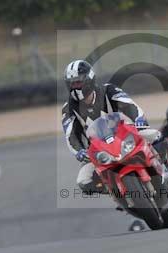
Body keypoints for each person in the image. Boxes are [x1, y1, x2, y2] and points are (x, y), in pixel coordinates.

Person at [61, 60, 150, 194]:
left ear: (89, 79)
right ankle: (115, 193)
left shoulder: (109, 90)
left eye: (78, 82)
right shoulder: (68, 109)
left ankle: (166, 172)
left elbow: (130, 105)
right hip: (97, 153)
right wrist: (79, 151)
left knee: (156, 137)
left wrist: (139, 121)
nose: (75, 87)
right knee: (83, 181)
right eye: (71, 84)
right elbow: (70, 135)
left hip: (125, 138)